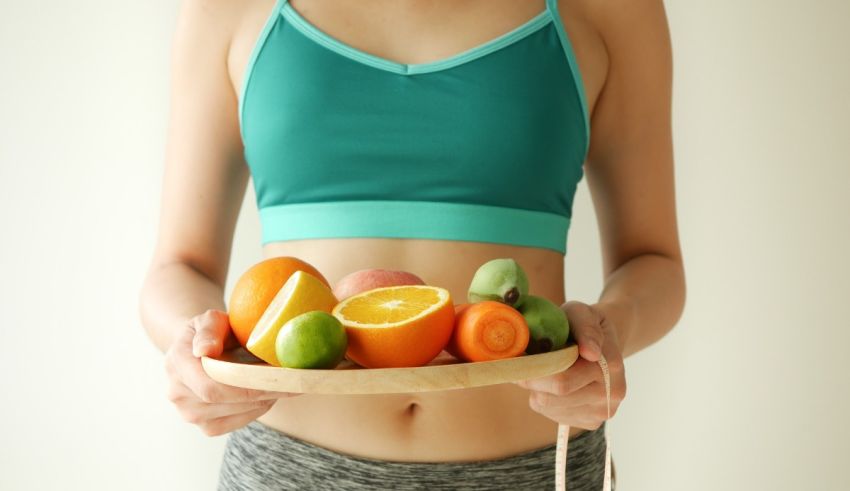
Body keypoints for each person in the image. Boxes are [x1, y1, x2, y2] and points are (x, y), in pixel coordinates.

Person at [139, 0, 684, 489]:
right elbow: (178, 265)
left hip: (534, 468)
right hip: (290, 468)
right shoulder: (227, 9)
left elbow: (652, 260)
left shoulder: (613, 8)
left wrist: (609, 335)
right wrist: (194, 345)